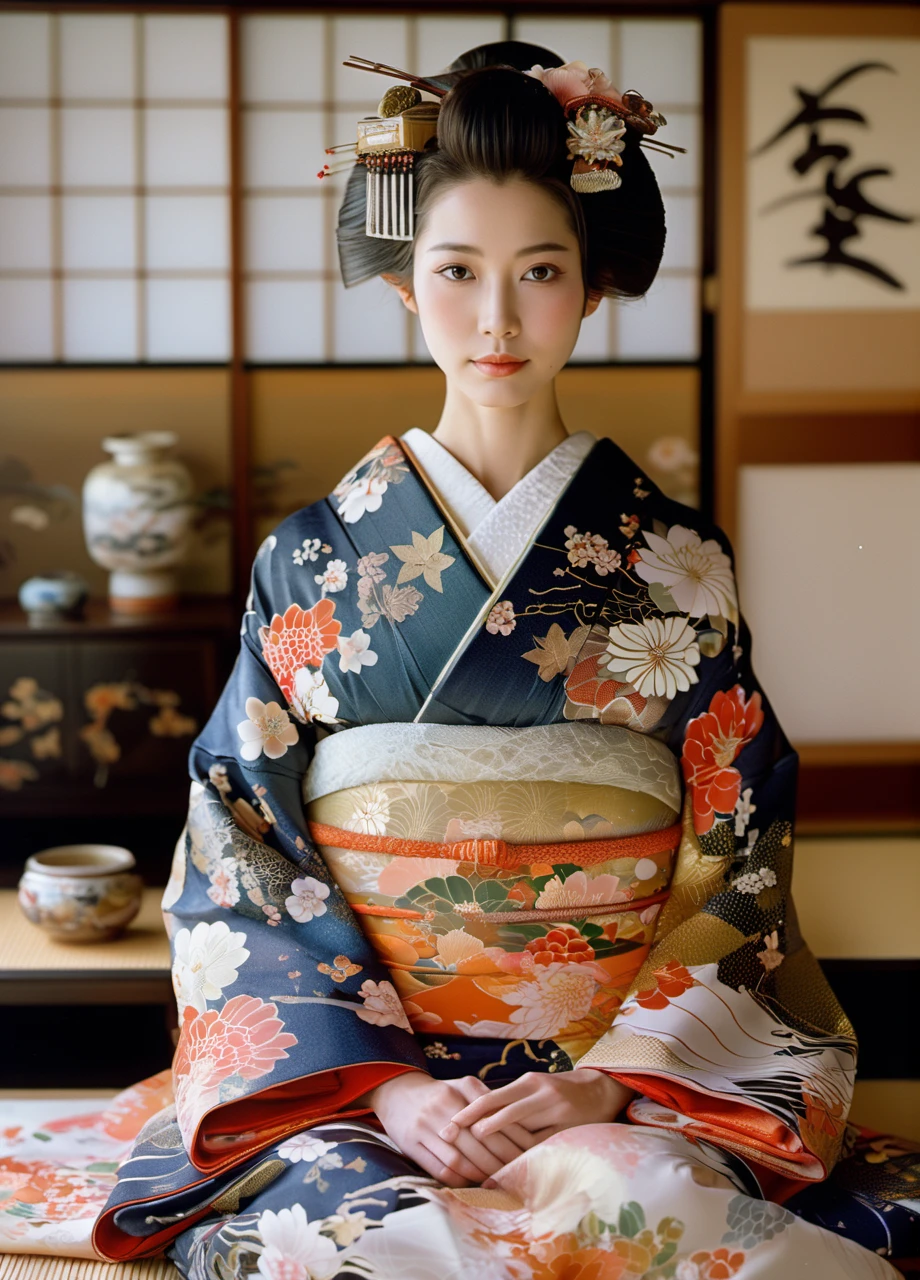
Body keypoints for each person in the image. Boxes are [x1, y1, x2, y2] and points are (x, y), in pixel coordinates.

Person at [3, 39, 916, 1280]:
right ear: (402, 285)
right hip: (361, 1079)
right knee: (339, 1235)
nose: (495, 318)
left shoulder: (671, 564)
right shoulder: (310, 561)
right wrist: (380, 1088)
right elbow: (242, 838)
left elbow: (736, 846)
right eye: (456, 271)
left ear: (591, 286)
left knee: (656, 1213)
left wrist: (600, 1087)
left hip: (610, 1074)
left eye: (539, 272)